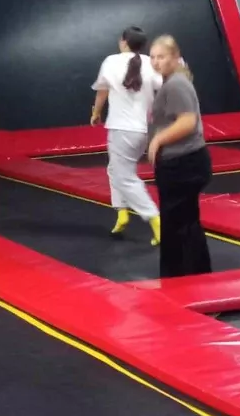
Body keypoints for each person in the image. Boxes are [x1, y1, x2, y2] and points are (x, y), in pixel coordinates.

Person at [147, 35, 212, 278]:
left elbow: (187, 122)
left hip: (183, 164)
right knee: (183, 223)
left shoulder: (176, 84)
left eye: (161, 57)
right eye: (153, 57)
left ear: (175, 57)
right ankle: (192, 276)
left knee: (178, 225)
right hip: (183, 162)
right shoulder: (173, 82)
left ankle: (184, 279)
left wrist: (158, 140)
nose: (156, 62)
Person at [91, 26, 161, 245]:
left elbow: (102, 91)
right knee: (115, 170)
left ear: (123, 41)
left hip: (122, 129)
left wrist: (95, 113)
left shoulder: (111, 61)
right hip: (143, 130)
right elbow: (163, 86)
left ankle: (155, 220)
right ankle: (121, 212)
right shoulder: (150, 63)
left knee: (126, 177)